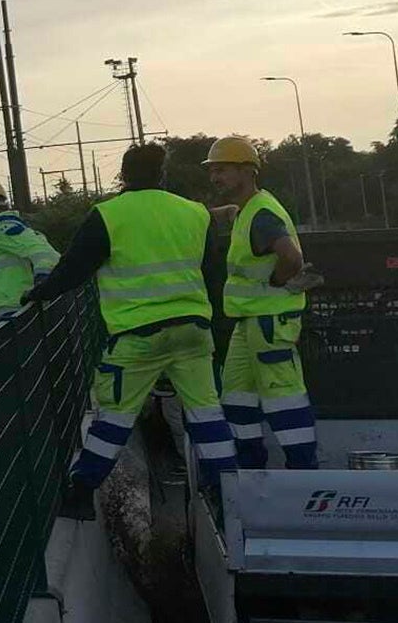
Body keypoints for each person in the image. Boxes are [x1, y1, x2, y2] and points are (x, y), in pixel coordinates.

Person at [21, 144, 237, 511]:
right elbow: (214, 276)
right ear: (162, 174)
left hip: (137, 336)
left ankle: (80, 494)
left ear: (123, 175)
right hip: (193, 331)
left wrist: (38, 293)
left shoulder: (108, 215)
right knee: (207, 413)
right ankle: (227, 490)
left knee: (115, 418)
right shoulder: (194, 213)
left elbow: (74, 269)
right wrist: (219, 331)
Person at [205, 136, 319, 468]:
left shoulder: (261, 214)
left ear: (247, 170)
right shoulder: (250, 209)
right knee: (236, 397)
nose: (215, 177)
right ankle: (251, 468)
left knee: (283, 397)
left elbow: (291, 258)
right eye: (212, 171)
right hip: (251, 322)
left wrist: (277, 281)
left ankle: (303, 473)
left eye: (222, 170)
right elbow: (234, 215)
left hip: (270, 321)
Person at [0, 178, 57, 323]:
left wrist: (42, 282)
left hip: (15, 315)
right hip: (16, 313)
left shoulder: (2, 228)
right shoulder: (3, 228)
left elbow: (46, 253)